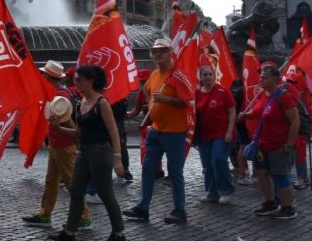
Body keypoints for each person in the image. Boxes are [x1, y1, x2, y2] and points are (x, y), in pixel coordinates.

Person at [48, 65, 128, 241]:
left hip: (101, 152)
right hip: (84, 152)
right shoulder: (80, 103)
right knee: (76, 190)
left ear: (90, 81)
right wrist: (59, 128)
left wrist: (118, 159)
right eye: (75, 80)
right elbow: (78, 132)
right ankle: (70, 232)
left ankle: (119, 234)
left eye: (79, 80)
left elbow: (114, 132)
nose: (76, 83)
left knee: (105, 192)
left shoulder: (102, 103)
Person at [124, 38, 192, 225]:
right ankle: (143, 208)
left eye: (162, 51)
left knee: (174, 172)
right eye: (155, 51)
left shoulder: (178, 75)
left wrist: (166, 100)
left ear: (170, 53)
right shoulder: (154, 75)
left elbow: (189, 102)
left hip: (175, 132)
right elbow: (147, 94)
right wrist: (145, 107)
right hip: (156, 131)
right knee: (147, 169)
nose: (157, 55)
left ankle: (180, 210)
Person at [23, 60, 90, 229]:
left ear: (48, 77)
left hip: (64, 145)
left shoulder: (60, 95)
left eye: (43, 74)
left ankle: (83, 217)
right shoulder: (59, 92)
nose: (41, 76)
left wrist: (74, 137)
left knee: (71, 183)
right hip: (58, 144)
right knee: (51, 180)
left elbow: (68, 123)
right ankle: (45, 214)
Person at [243, 64, 300, 219]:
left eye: (264, 77)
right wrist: (245, 115)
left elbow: (295, 121)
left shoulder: (284, 96)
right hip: (262, 144)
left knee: (280, 176)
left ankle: (287, 207)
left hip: (279, 144)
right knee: (262, 174)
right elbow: (256, 112)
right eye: (261, 77)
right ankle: (270, 202)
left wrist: (289, 143)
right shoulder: (263, 95)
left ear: (275, 79)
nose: (261, 80)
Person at [195, 65, 237, 204]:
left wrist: (230, 131)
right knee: (207, 164)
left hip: (221, 132)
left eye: (210, 74)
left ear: (214, 75)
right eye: (204, 74)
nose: (207, 77)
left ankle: (226, 190)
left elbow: (232, 111)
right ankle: (211, 193)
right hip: (204, 135)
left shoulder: (223, 91)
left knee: (218, 159)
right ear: (200, 77)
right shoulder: (197, 93)